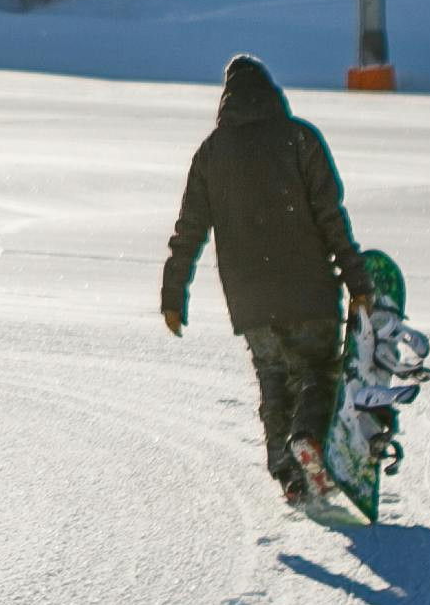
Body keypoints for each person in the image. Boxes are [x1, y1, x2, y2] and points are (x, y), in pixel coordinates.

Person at [159, 54, 372, 505]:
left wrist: (173, 295)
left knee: (273, 379)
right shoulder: (300, 139)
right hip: (309, 289)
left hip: (250, 300)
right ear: (272, 93)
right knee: (319, 372)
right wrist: (359, 283)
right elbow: (332, 219)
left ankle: (290, 476)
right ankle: (309, 440)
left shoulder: (211, 154)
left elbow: (189, 230)